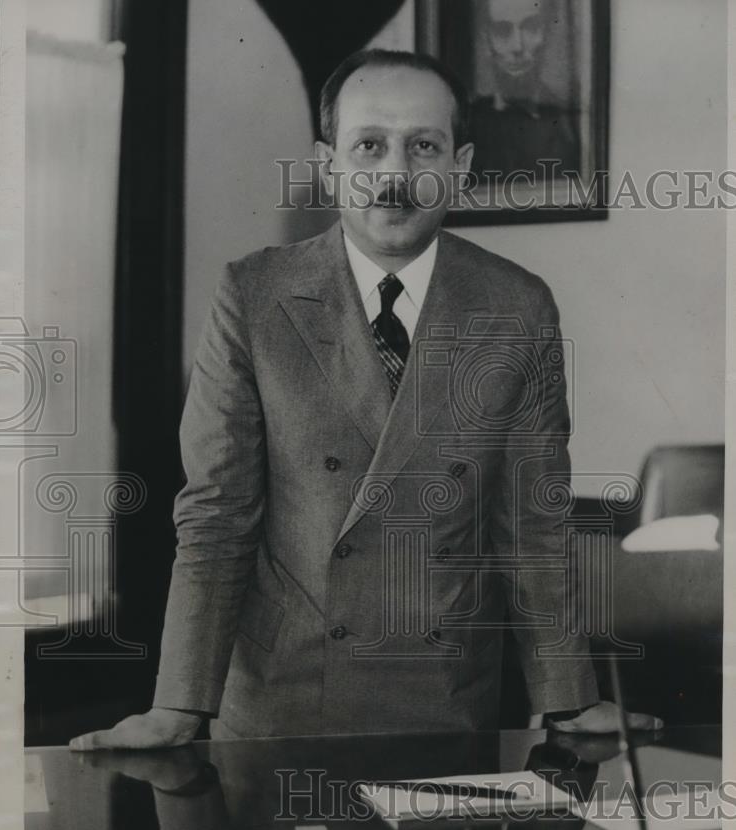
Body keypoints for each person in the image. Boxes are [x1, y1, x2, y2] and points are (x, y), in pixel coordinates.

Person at [71, 48, 659, 751]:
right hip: (280, 705)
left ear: (460, 166)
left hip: (444, 702)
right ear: (327, 165)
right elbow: (215, 517)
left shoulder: (516, 305)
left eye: (423, 147)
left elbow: (534, 524)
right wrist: (178, 706)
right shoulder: (252, 296)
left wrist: (569, 701)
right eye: (369, 146)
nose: (395, 176)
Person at [470, 0, 580, 180]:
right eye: (502, 30)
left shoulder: (569, 125)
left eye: (531, 27)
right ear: (486, 38)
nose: (517, 47)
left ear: (548, 33)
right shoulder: (466, 124)